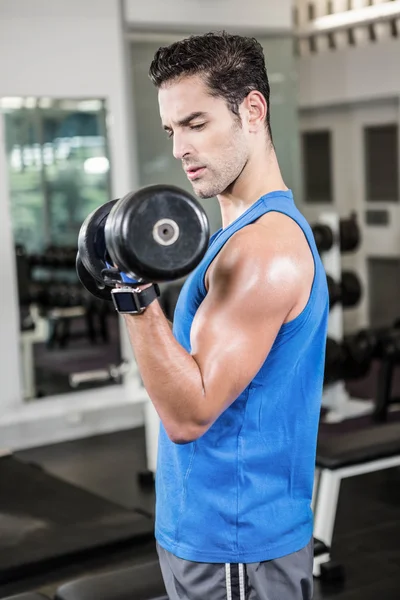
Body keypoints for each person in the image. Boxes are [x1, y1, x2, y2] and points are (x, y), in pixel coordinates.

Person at [122, 32, 329, 600]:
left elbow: (189, 415)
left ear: (253, 111)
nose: (178, 149)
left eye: (196, 124)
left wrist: (133, 295)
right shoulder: (234, 235)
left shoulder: (263, 250)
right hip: (208, 531)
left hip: (236, 542)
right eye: (171, 130)